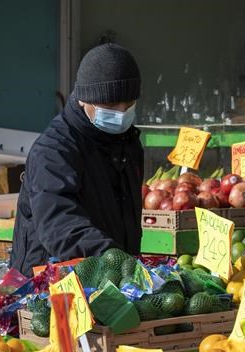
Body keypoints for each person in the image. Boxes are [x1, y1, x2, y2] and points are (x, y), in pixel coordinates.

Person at [9, 43, 144, 276]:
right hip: (49, 281)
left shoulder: (129, 144)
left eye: (129, 104)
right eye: (110, 106)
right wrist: (113, 257)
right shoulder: (53, 150)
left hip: (107, 277)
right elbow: (59, 225)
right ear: (83, 99)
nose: (121, 114)